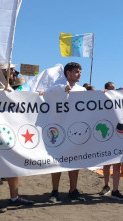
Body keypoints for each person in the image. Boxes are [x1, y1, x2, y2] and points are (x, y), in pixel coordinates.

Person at [0, 63, 34, 213]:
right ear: (2, 70)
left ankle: (14, 197)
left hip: (9, 135)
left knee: (12, 166)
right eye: (10, 68)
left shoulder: (9, 88)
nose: (13, 71)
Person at [45, 62, 87, 203]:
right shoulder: (56, 88)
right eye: (76, 71)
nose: (79, 74)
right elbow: (45, 96)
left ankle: (72, 190)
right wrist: (62, 90)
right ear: (68, 73)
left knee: (74, 162)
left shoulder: (82, 90)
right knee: (57, 161)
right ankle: (55, 191)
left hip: (75, 131)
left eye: (80, 71)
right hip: (58, 131)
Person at [99, 81, 123, 200]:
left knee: (117, 164)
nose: (112, 90)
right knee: (106, 163)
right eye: (110, 89)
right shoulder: (102, 99)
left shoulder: (119, 99)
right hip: (107, 135)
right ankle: (106, 185)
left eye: (114, 88)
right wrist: (103, 93)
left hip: (118, 135)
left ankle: (115, 189)